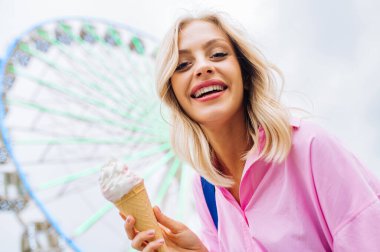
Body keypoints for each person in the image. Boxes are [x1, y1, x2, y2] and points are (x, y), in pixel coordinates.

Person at [122, 12, 380, 251]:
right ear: (175, 96)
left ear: (244, 75)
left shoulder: (310, 147)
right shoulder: (206, 189)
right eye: (183, 65)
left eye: (218, 54)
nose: (202, 68)